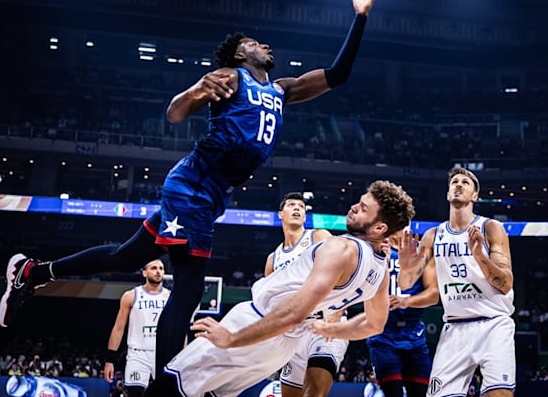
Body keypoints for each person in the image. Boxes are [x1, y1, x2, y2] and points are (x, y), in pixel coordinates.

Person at [0, 0, 380, 377]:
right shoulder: (230, 76)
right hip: (191, 187)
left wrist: (361, 16)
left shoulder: (281, 89)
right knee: (190, 288)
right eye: (252, 42)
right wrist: (195, 91)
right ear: (239, 54)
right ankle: (168, 384)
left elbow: (338, 74)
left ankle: (34, 273)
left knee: (124, 258)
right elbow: (175, 114)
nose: (263, 44)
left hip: (209, 196)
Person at [143, 180, 415, 397]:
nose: (355, 207)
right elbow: (375, 324)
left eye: (363, 209)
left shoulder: (340, 247)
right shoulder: (380, 268)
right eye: (359, 202)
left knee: (168, 385)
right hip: (282, 347)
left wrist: (232, 338)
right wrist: (332, 329)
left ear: (380, 227)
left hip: (261, 321)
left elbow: (294, 312)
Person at [398, 167, 516, 397]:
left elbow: (506, 283)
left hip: (493, 323)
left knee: (498, 394)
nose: (458, 185)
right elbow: (406, 283)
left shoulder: (490, 228)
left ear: (474, 196)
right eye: (454, 182)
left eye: (465, 182)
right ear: (447, 193)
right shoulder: (433, 235)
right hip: (454, 327)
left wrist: (480, 256)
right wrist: (405, 267)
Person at [264, 192, 345, 397]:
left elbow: (343, 267)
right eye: (291, 205)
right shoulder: (273, 259)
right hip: (293, 332)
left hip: (325, 325)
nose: (298, 208)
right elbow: (269, 302)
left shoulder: (317, 236)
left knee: (315, 391)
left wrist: (337, 310)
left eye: (301, 206)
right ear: (280, 214)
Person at [366, 229, 438, 397]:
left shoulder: (422, 252)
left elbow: (434, 295)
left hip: (414, 335)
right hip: (382, 336)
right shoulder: (373, 250)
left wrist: (407, 301)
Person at [102, 259, 170, 397]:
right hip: (138, 354)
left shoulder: (170, 296)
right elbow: (118, 328)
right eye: (154, 268)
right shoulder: (131, 296)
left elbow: (179, 329)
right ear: (144, 273)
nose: (158, 271)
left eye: (161, 268)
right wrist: (110, 360)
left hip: (163, 354)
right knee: (135, 393)